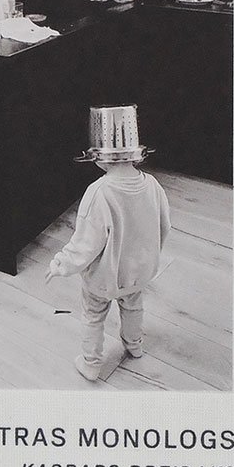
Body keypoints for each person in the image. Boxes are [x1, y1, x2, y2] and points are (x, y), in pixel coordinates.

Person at [46, 106, 171, 381]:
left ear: (99, 158)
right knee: (133, 307)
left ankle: (91, 363)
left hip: (102, 280)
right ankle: (134, 345)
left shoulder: (99, 193)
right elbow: (164, 226)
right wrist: (148, 257)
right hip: (137, 274)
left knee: (93, 316)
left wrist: (60, 264)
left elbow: (84, 244)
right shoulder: (153, 185)